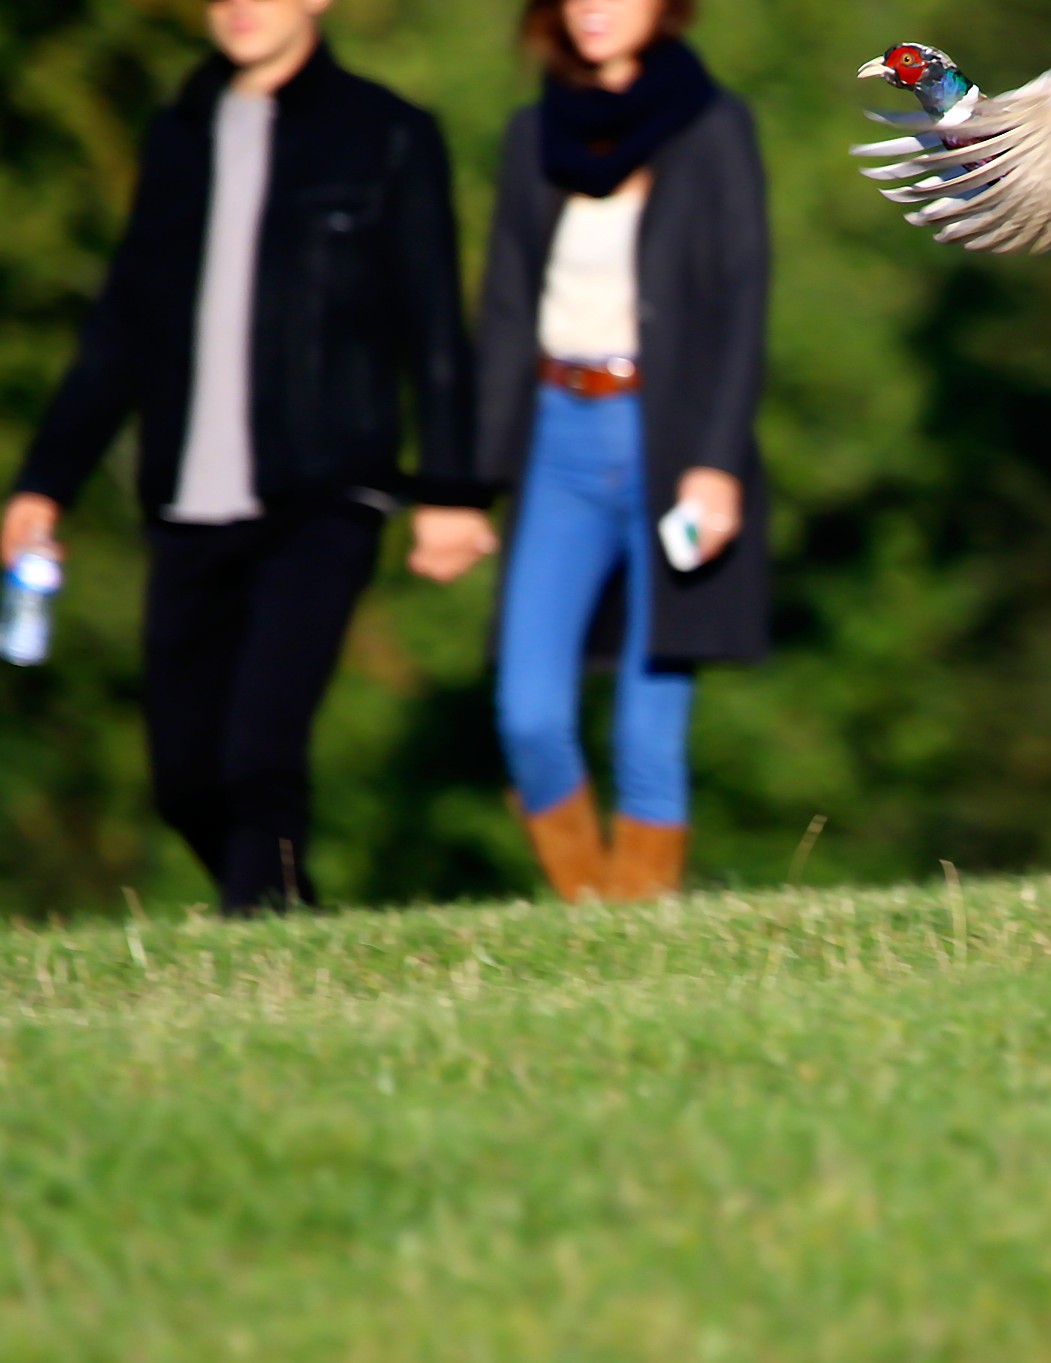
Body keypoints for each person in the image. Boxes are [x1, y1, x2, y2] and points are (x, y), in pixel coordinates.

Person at [0, 0, 498, 915]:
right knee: (186, 776)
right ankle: (288, 921)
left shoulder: (386, 133)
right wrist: (44, 485)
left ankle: (256, 934)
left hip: (325, 490)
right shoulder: (179, 135)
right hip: (188, 498)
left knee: (258, 756)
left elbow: (434, 326)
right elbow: (121, 326)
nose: (241, 7)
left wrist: (453, 490)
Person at [478, 0, 770, 903]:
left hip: (670, 440)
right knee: (528, 712)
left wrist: (717, 462)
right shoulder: (535, 133)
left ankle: (637, 933)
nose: (595, 7)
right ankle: (588, 910)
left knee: (649, 729)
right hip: (556, 436)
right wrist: (464, 482)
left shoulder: (714, 126)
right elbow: (502, 308)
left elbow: (741, 299)